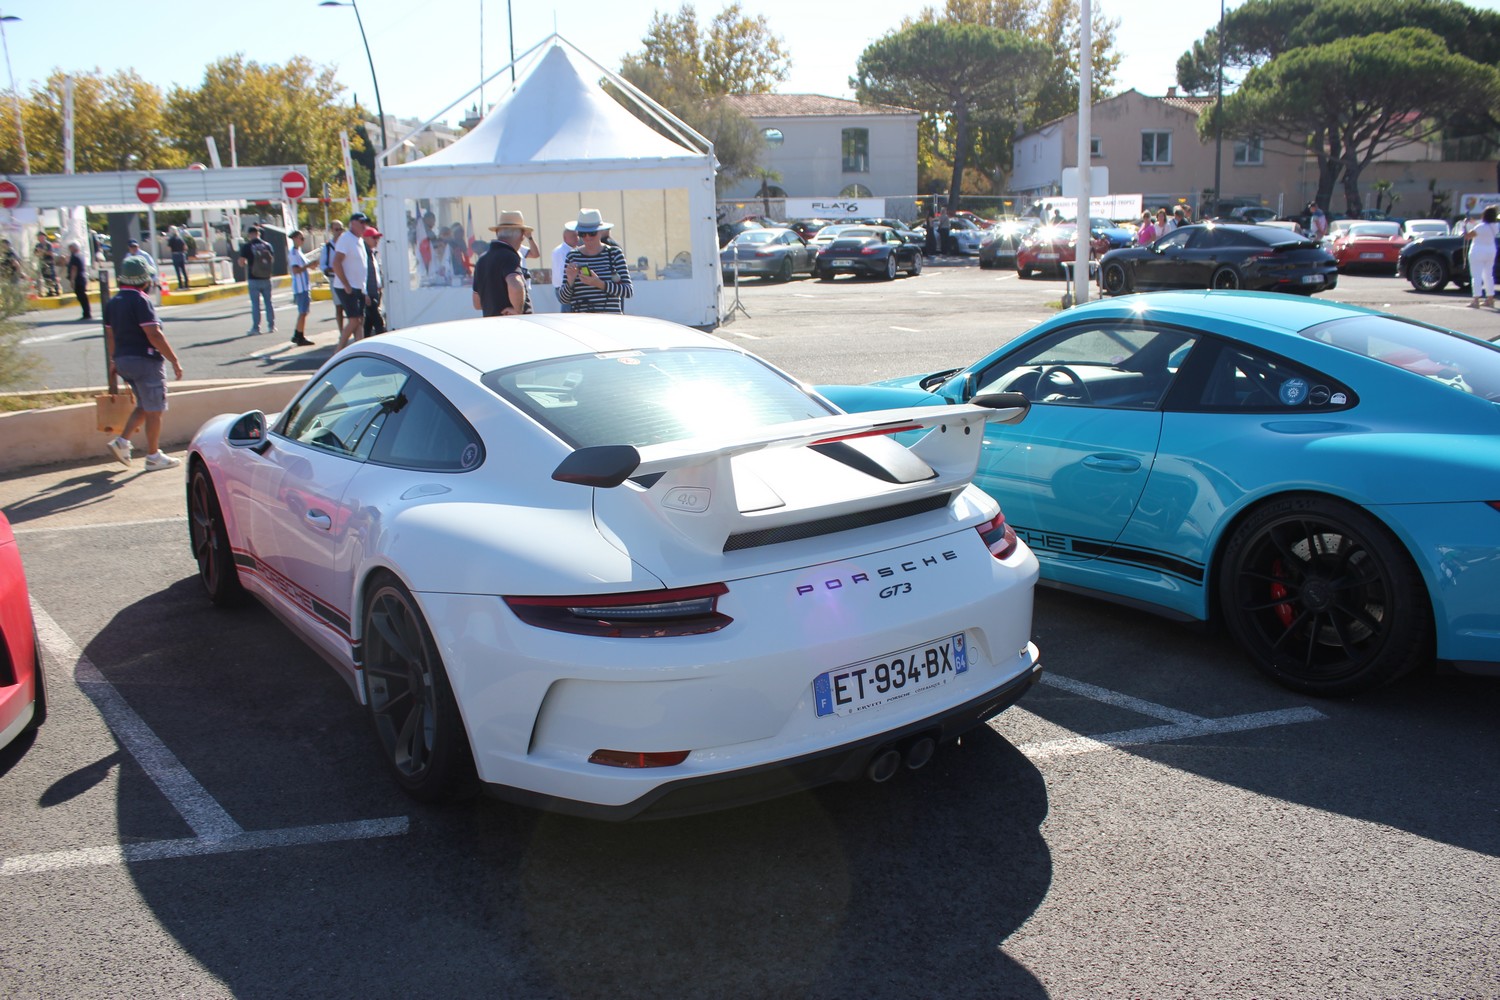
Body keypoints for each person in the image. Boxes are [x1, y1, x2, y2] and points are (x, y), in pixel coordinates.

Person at [102, 256, 183, 471]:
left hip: (123, 360)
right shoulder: (140, 300)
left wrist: (113, 360)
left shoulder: (113, 302)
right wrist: (174, 360)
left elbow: (110, 336)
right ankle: (153, 456)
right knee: (155, 409)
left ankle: (122, 442)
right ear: (144, 279)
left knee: (144, 406)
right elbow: (153, 334)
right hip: (145, 360)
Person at [560, 208, 633, 314]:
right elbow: (563, 299)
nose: (587, 237)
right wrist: (570, 281)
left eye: (592, 233)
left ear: (601, 232)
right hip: (581, 322)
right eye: (583, 234)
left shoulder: (614, 253)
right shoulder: (572, 256)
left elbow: (628, 291)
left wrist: (599, 283)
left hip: (609, 321)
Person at [471, 210, 533, 317]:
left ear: (497, 233)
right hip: (513, 323)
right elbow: (515, 284)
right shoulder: (509, 256)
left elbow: (477, 303)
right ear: (521, 236)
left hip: (492, 321)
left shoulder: (482, 260)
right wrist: (518, 310)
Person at [332, 212, 370, 348]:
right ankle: (339, 350)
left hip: (358, 287)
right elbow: (336, 263)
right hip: (347, 287)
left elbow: (361, 268)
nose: (364, 225)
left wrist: (364, 291)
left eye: (365, 222)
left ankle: (360, 348)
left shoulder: (359, 240)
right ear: (352, 223)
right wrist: (346, 284)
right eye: (361, 222)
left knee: (360, 320)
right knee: (354, 320)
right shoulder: (346, 238)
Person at [237, 225, 276, 336]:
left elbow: (241, 262)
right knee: (269, 302)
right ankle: (271, 326)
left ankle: (256, 328)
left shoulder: (247, 246)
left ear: (250, 234)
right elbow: (271, 260)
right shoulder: (267, 245)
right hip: (266, 277)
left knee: (255, 304)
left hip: (253, 278)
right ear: (259, 233)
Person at [1463, 205, 1499, 309]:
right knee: (1488, 275)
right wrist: (1473, 222)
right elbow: (1481, 226)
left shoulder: (1480, 227)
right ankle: (1490, 299)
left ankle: (1476, 300)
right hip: (1491, 250)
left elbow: (1467, 236)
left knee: (1476, 276)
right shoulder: (1495, 226)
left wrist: (1464, 226)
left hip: (1477, 251)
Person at [286, 229, 313, 346]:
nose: (303, 241)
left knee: (304, 312)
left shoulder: (298, 252)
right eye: (301, 238)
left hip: (304, 286)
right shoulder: (293, 254)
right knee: (303, 312)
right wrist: (308, 265)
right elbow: (296, 270)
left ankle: (298, 334)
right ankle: (299, 335)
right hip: (300, 287)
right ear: (295, 239)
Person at [320, 220, 345, 331]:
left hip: (348, 278)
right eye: (336, 229)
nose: (339, 232)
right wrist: (332, 269)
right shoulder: (327, 247)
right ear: (332, 231)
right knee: (339, 306)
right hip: (335, 279)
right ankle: (341, 331)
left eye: (341, 229)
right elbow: (323, 265)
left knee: (351, 308)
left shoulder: (346, 244)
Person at [362, 226, 386, 335]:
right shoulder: (363, 254)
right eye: (374, 237)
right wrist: (365, 293)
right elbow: (362, 274)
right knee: (378, 322)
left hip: (375, 292)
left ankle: (364, 340)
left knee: (369, 322)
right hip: (369, 293)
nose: (377, 240)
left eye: (377, 238)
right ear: (366, 238)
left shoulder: (372, 253)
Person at [550, 221, 578, 312]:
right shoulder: (566, 252)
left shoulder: (559, 250)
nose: (577, 238)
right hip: (565, 287)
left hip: (561, 286)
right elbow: (564, 271)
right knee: (569, 314)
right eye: (573, 236)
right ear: (565, 238)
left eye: (577, 235)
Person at [66, 242, 90, 320]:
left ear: (74, 248)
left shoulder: (75, 256)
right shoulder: (80, 255)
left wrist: (72, 280)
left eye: (70, 247)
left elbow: (74, 269)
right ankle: (86, 312)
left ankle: (86, 313)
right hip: (82, 278)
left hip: (78, 279)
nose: (69, 249)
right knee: (83, 297)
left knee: (81, 297)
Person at [34, 232, 58, 297]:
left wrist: (42, 251)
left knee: (52, 277)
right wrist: (38, 252)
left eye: (41, 236)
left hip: (49, 262)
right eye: (38, 237)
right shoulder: (38, 245)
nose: (39, 238)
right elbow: (36, 254)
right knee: (45, 277)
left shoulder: (48, 244)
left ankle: (56, 290)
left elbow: (51, 253)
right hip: (42, 262)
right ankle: (49, 290)